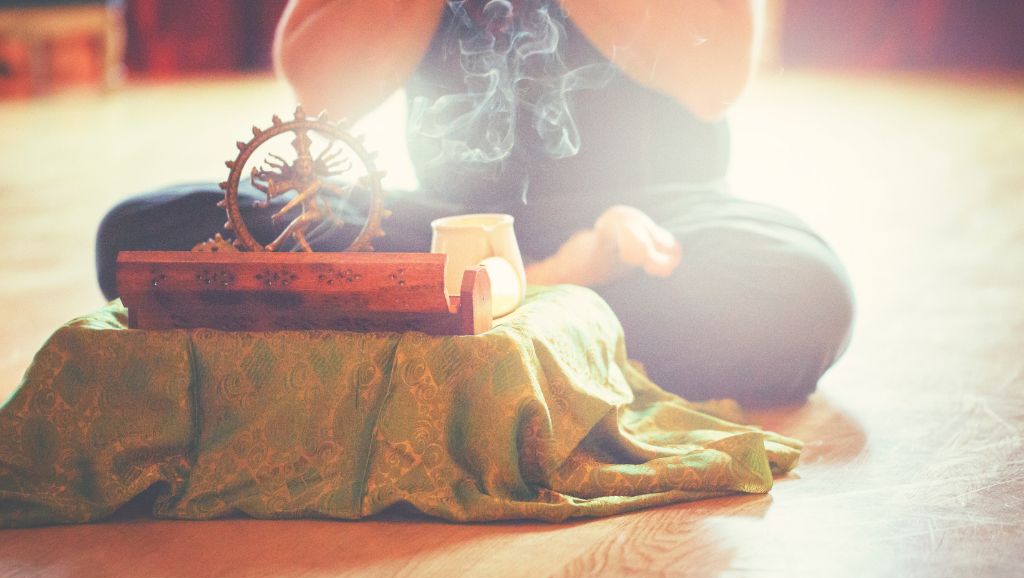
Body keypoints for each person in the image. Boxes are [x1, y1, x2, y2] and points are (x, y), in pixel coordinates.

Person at [95, 0, 853, 406]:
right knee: (145, 237)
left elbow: (718, 73)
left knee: (803, 291)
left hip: (646, 234)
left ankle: (448, 330)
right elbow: (321, 80)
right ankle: (549, 303)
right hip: (447, 237)